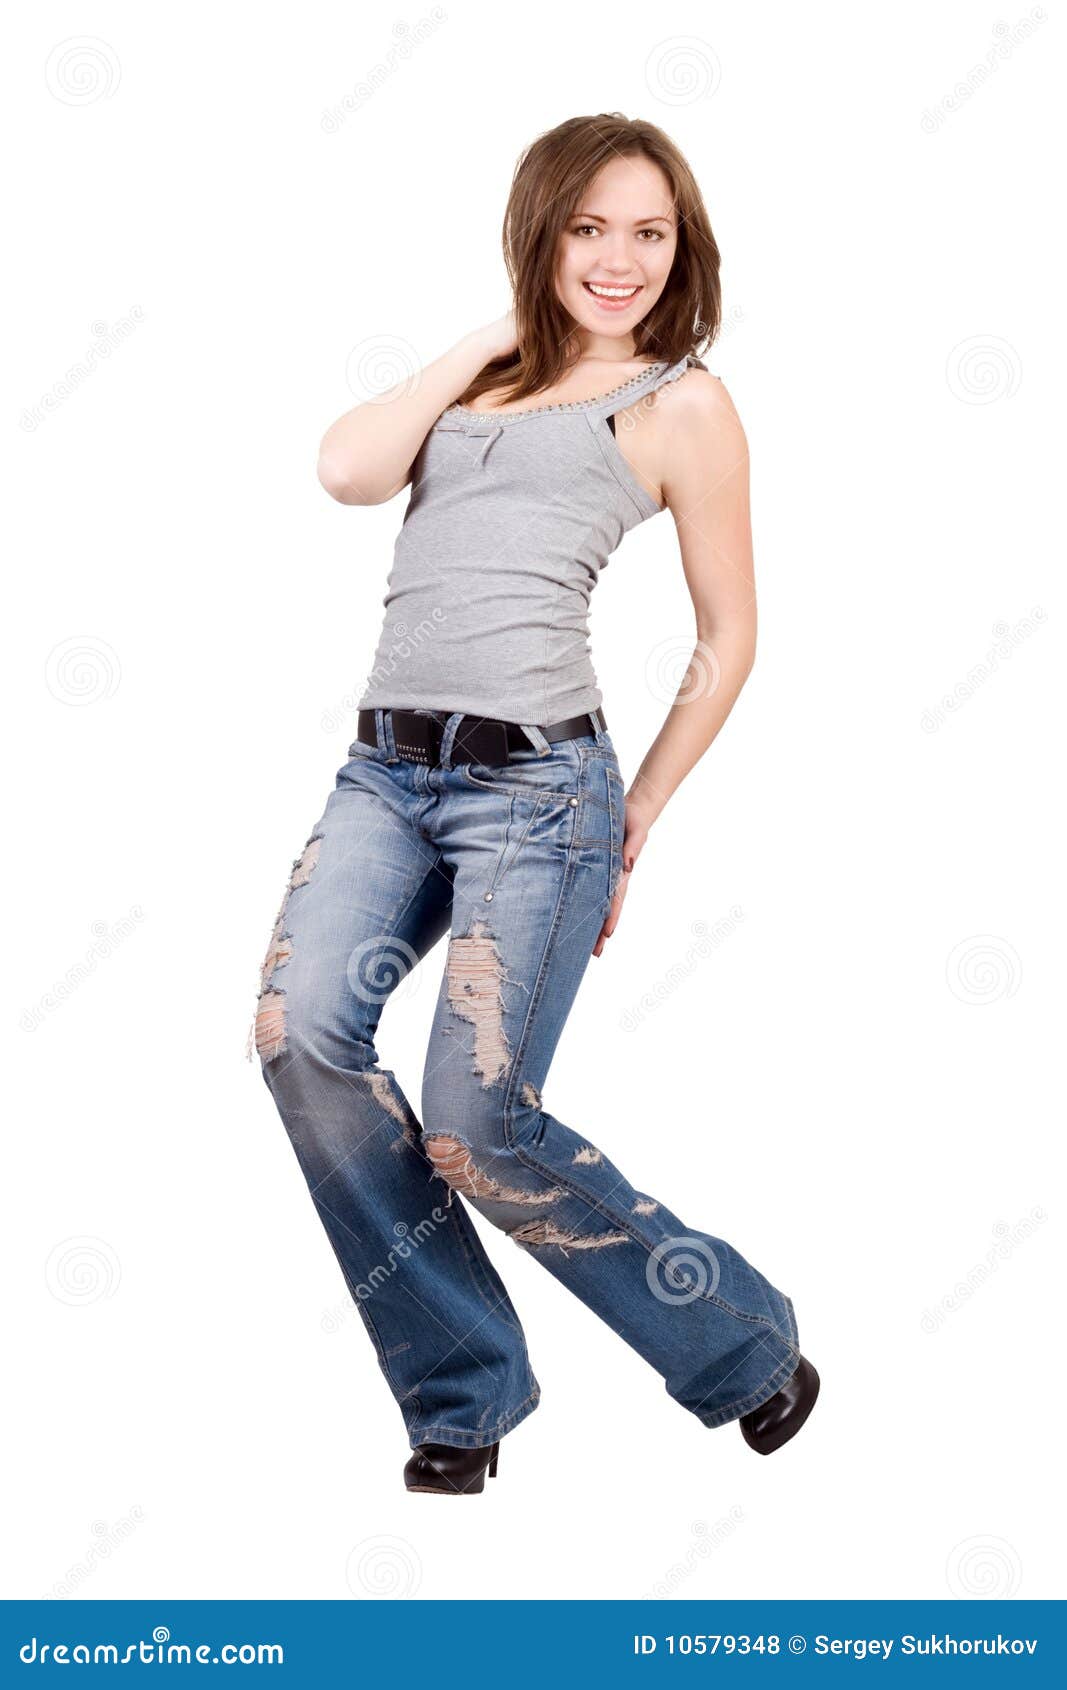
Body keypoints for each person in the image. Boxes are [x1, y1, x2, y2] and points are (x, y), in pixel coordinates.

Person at [250, 113, 819, 1495]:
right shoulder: (478, 379)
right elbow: (345, 468)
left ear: (682, 249)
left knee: (478, 1122)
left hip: (538, 788)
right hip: (386, 772)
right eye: (588, 227)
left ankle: (745, 1346)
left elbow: (729, 635)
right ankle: (466, 1389)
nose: (618, 259)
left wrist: (642, 810)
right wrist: (499, 330)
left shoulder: (682, 402)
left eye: (650, 232)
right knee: (300, 1038)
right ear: (543, 229)